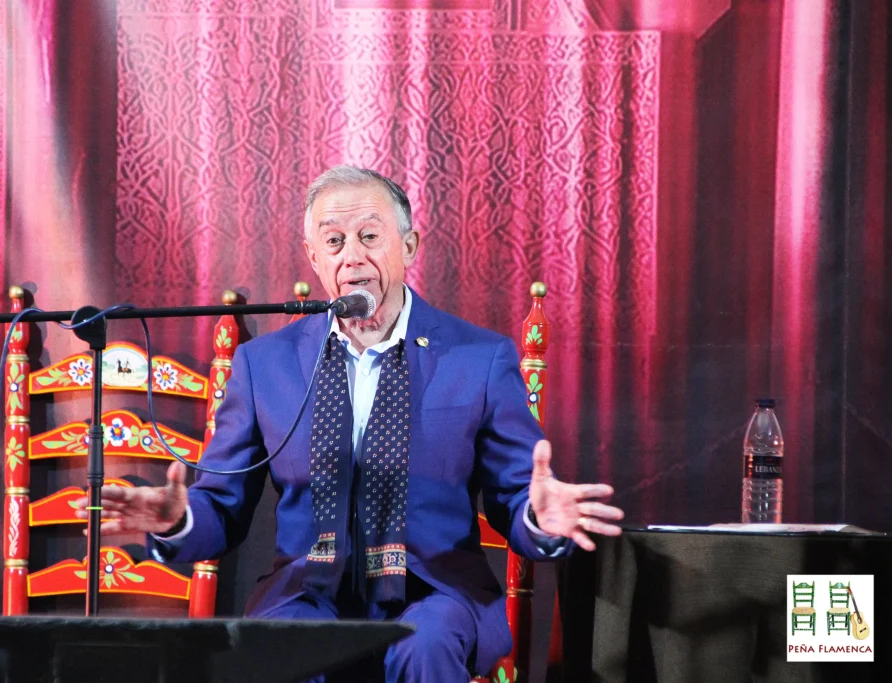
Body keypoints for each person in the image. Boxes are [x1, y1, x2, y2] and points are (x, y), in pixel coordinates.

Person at [87, 166, 624, 682]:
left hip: (434, 593)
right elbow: (221, 507)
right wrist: (175, 520)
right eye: (335, 241)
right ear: (314, 258)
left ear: (408, 247)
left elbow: (516, 494)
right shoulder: (265, 366)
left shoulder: (478, 358)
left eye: (370, 235)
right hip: (307, 592)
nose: (353, 256)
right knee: (282, 648)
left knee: (426, 646)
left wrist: (537, 517)